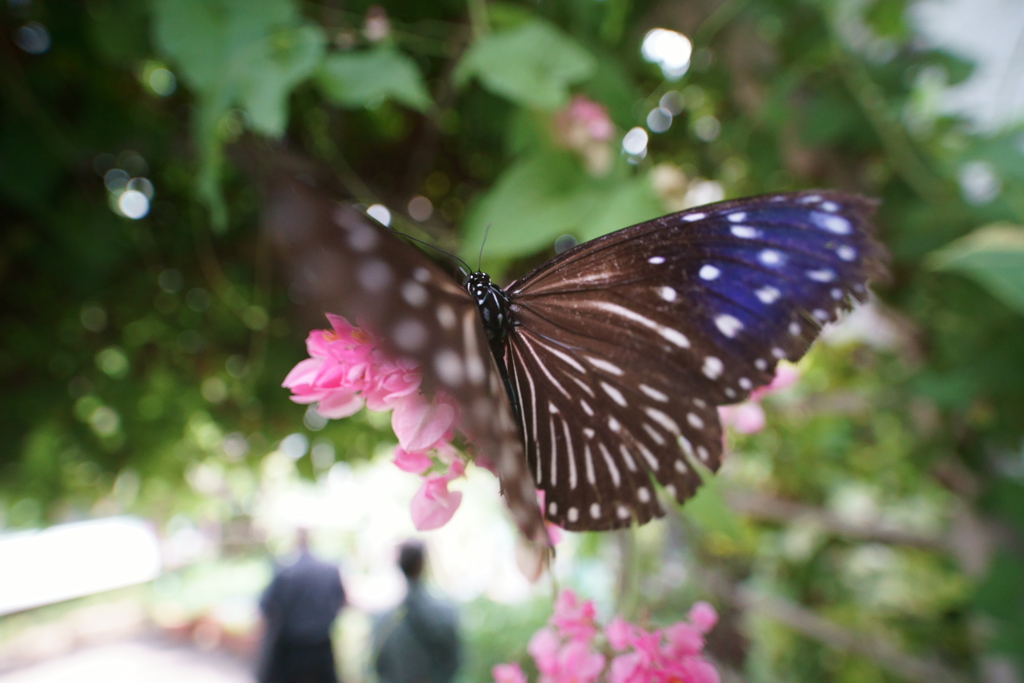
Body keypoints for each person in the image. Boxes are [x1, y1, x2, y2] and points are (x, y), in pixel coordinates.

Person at [258, 528, 346, 683]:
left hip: (291, 647)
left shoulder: (285, 571)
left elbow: (266, 606)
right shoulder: (329, 570)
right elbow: (342, 601)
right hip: (321, 643)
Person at [373, 540, 461, 683]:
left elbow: (378, 663)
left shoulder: (384, 618)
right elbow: (454, 658)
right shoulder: (444, 611)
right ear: (422, 564)